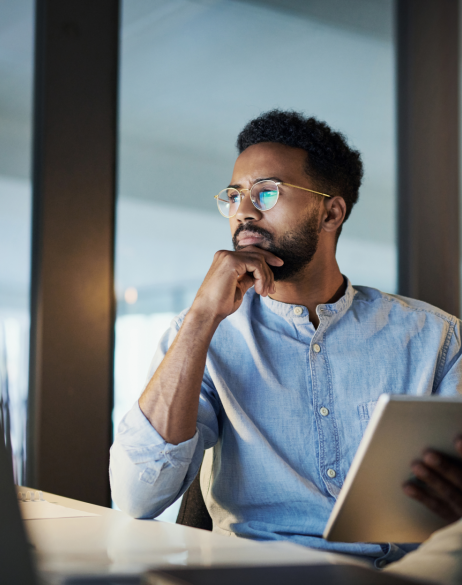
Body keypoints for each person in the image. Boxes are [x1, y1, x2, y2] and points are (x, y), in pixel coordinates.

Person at [110, 110, 462, 567]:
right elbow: (136, 495)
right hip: (256, 575)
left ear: (331, 212)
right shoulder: (205, 332)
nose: (244, 211)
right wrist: (199, 317)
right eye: (234, 196)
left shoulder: (435, 337)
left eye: (267, 192)